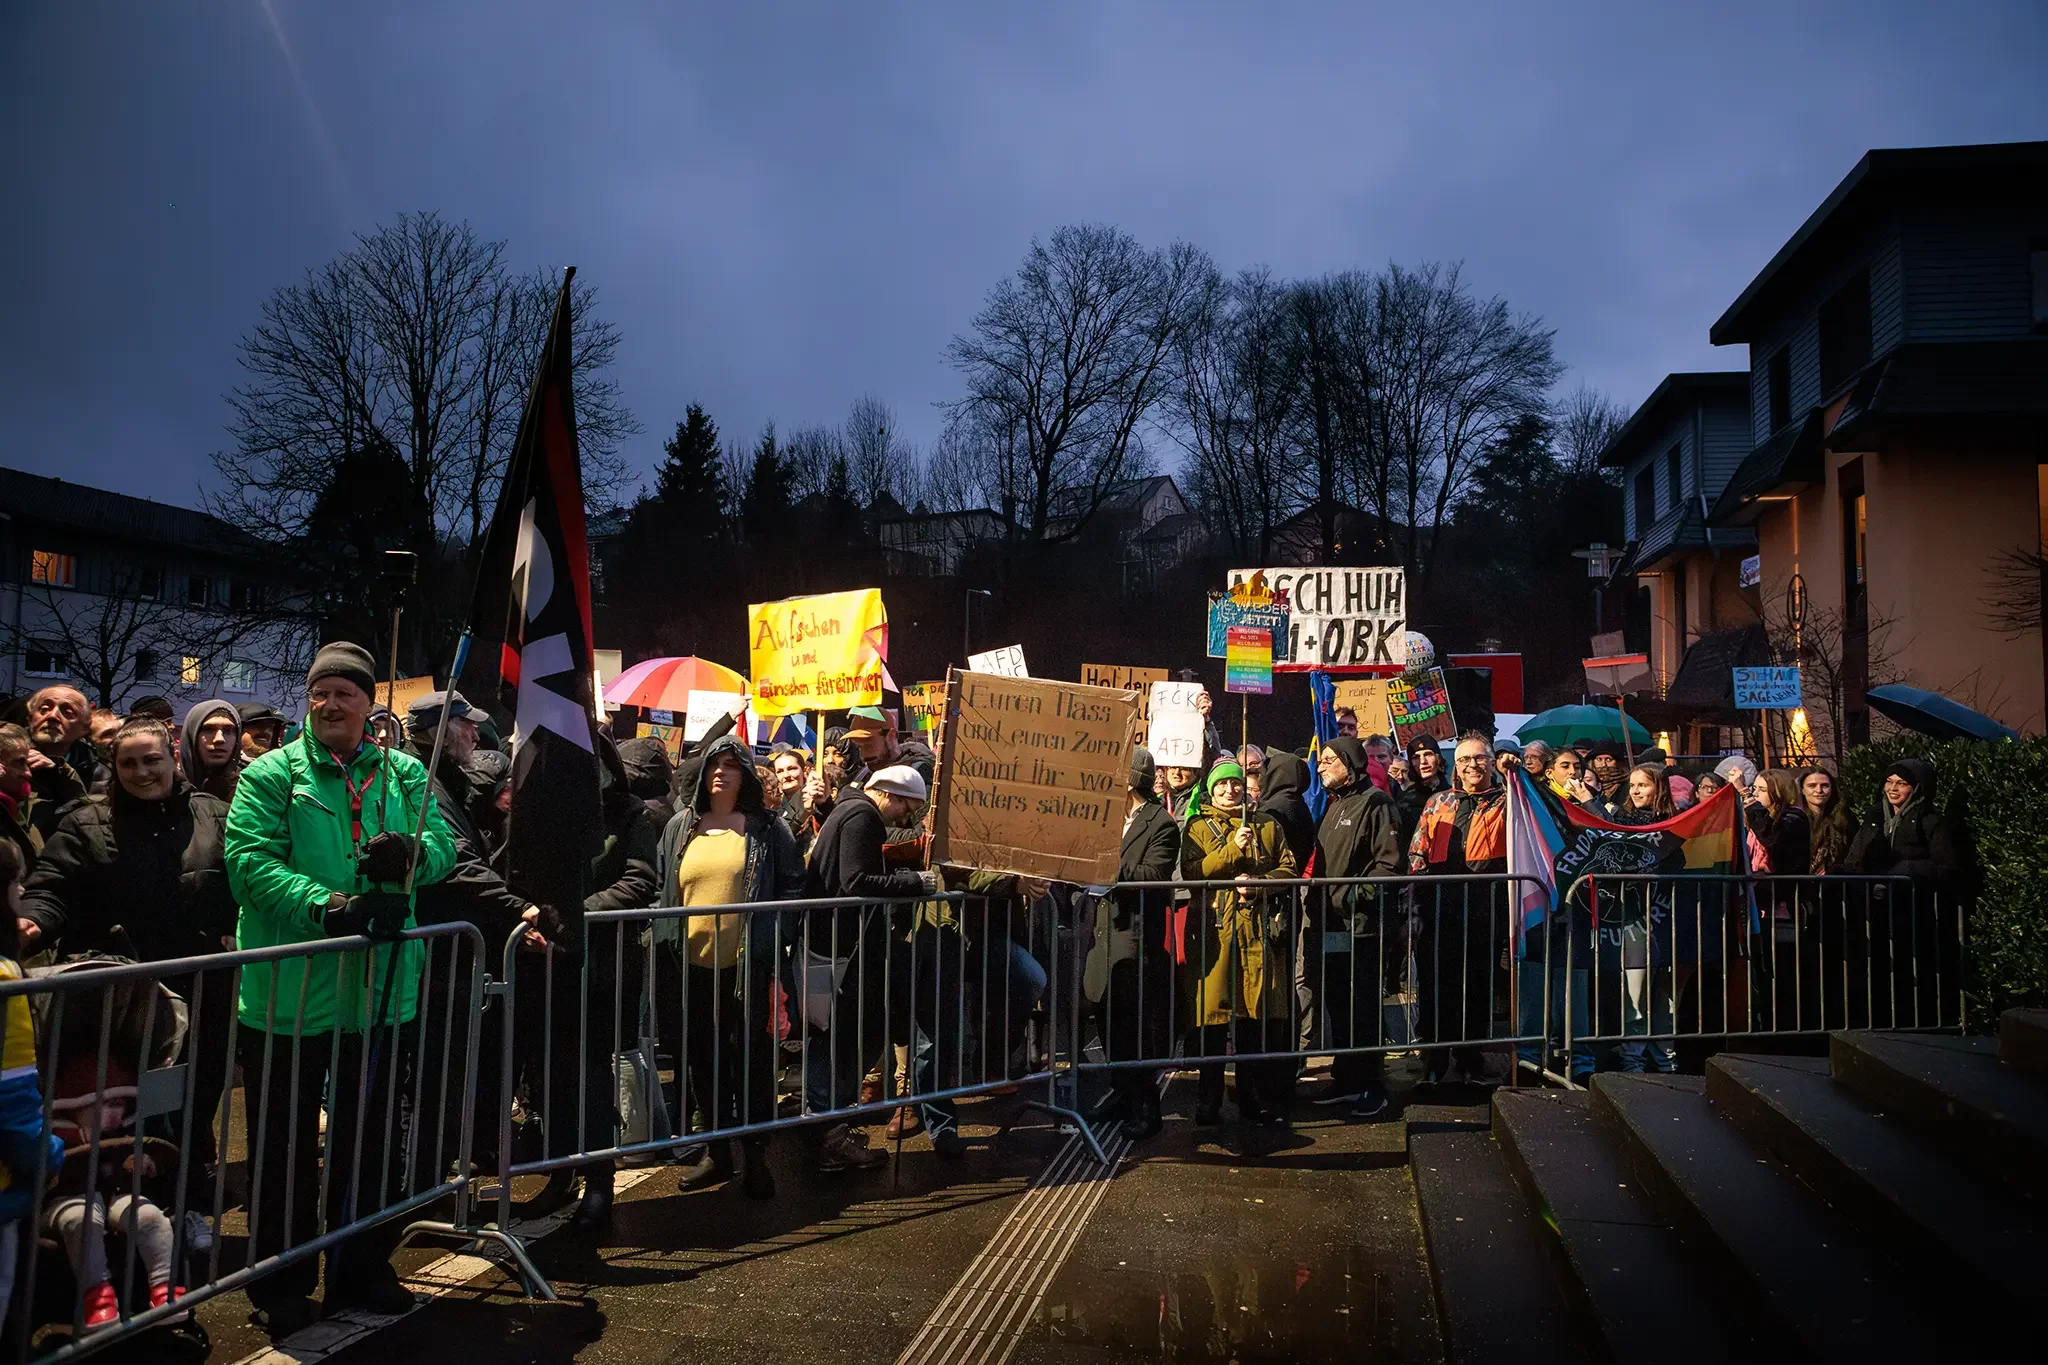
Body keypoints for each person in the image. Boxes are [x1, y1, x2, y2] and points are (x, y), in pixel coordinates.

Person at [223, 641, 458, 1335]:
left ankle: (362, 1265)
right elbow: (248, 865)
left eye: (345, 693)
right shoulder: (269, 774)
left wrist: (414, 853)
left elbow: (444, 849)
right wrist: (331, 905)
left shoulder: (405, 773)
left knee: (371, 1142)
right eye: (320, 692)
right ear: (308, 700)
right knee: (285, 1146)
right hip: (287, 997)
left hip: (380, 994)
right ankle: (282, 1279)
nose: (331, 704)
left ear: (367, 704)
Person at [653, 734, 803, 1199]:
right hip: (692, 970)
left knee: (753, 1065)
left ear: (745, 775)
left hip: (747, 972)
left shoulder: (766, 829)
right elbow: (664, 888)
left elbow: (793, 892)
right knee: (703, 1063)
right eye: (714, 764)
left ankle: (756, 1158)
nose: (721, 772)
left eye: (731, 765)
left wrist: (773, 942)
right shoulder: (680, 826)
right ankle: (717, 1152)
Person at [798, 763, 937, 1172]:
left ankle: (824, 1128)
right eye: (906, 808)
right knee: (844, 1042)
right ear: (891, 795)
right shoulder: (863, 817)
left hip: (832, 946)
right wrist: (916, 882)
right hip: (844, 950)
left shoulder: (848, 809)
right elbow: (856, 880)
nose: (904, 819)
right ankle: (831, 1136)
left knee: (832, 1040)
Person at [1179, 759, 1298, 1126]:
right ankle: (1208, 1101)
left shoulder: (1267, 824)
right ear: (1211, 791)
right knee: (1213, 1024)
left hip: (1256, 933)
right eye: (1222, 786)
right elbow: (1192, 872)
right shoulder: (1196, 827)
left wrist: (1260, 884)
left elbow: (1289, 868)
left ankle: (1252, 1099)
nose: (1230, 791)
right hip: (1216, 934)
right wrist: (1232, 848)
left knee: (1252, 1021)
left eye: (1235, 784)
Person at [1083, 747, 1180, 1141]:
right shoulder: (1107, 819)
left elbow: (1155, 874)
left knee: (1136, 1027)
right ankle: (1121, 1092)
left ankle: (1146, 1106)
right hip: (1102, 933)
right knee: (1106, 1018)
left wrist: (1105, 863)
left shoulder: (1162, 824)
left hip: (1135, 935)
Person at [1407, 733, 1508, 1087]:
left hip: (1485, 906)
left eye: (1480, 758)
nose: (1472, 766)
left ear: (1492, 761)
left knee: (1478, 985)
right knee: (1436, 985)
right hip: (1439, 906)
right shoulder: (1438, 802)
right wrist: (1413, 906)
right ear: (1456, 765)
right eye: (1465, 759)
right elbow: (1417, 852)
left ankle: (1471, 1058)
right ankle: (1434, 1060)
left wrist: (1515, 771)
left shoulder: (1506, 801)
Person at [1309, 737, 1401, 1119]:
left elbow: (1390, 866)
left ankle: (1371, 1086)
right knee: (1339, 1005)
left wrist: (1350, 895)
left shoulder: (1377, 803)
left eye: (1329, 760)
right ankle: (1346, 1080)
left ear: (1350, 762)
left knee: (1362, 1006)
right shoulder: (1335, 804)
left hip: (1362, 927)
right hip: (1332, 926)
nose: (1320, 767)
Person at [0, 839, 66, 1330]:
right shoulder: (7, 979)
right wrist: (51, 1156)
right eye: (17, 881)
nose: (23, 890)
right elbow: (14, 1100)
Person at [1845, 757, 1965, 1027]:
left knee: (1916, 970)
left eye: (1902, 783)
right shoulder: (1874, 815)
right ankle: (1879, 1022)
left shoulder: (1930, 820)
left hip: (1916, 911)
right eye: (1889, 782)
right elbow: (1855, 857)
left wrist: (1905, 871)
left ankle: (1919, 1024)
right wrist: (1868, 882)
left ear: (1917, 788)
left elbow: (1947, 867)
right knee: (1878, 969)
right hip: (1876, 909)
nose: (1893, 788)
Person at [22, 686, 91, 840]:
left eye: (68, 713)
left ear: (84, 728)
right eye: (44, 709)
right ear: (30, 718)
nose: (53, 716)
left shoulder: (100, 773)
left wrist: (62, 777)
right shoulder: (7, 762)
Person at [0, 725, 45, 874]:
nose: (28, 773)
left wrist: (61, 773)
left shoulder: (35, 802)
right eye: (19, 763)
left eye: (27, 762)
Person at [182, 698, 243, 803]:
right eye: (208, 729)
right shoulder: (165, 788)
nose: (219, 739)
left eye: (228, 731)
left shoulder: (249, 792)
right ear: (192, 735)